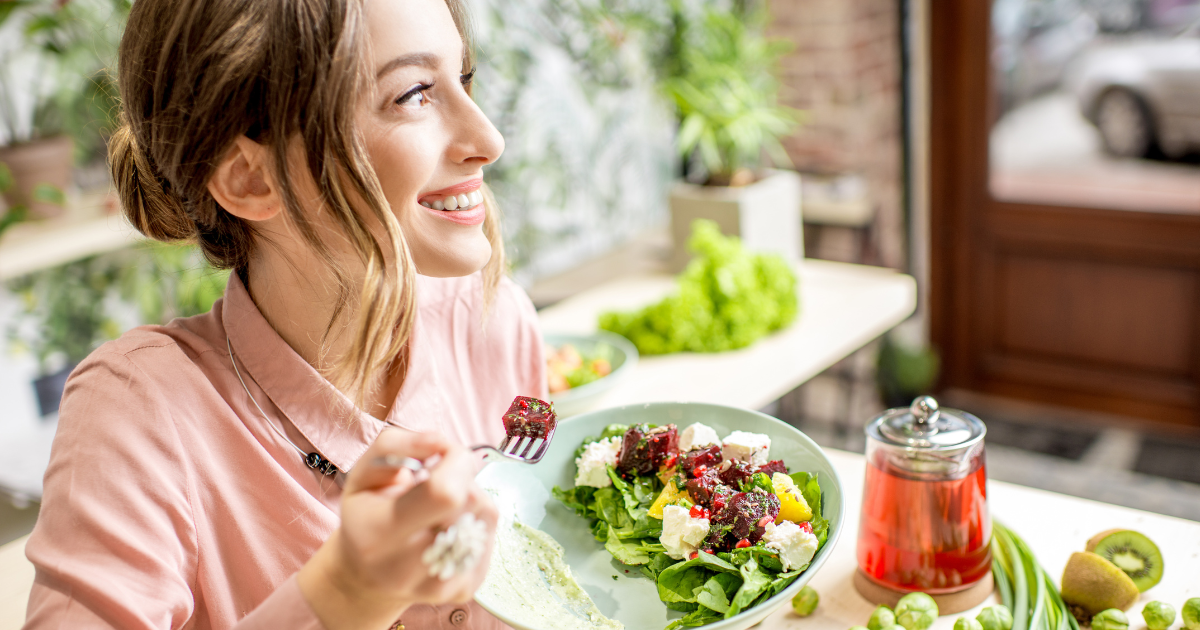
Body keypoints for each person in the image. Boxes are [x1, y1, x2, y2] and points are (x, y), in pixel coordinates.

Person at [22, 0, 546, 627]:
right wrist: (345, 594)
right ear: (249, 178)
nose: (489, 140)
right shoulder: (140, 413)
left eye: (462, 80)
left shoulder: (493, 321)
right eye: (412, 94)